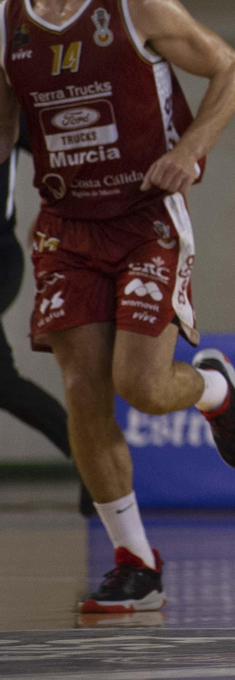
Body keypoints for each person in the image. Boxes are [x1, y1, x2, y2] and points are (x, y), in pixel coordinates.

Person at [5, 0, 235, 613]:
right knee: (83, 391)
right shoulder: (8, 24)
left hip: (146, 216)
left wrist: (190, 150)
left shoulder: (136, 0)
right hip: (66, 225)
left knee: (141, 388)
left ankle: (214, 388)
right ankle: (135, 558)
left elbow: (232, 70)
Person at [0, 142, 93, 516]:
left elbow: (59, 151)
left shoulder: (8, 111)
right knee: (5, 385)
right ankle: (91, 461)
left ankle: (94, 461)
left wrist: (55, 210)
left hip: (0, 256)